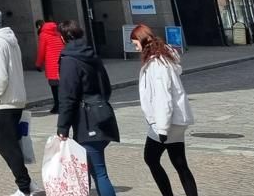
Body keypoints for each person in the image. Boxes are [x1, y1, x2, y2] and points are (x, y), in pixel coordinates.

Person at [132, 24, 198, 196]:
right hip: (175, 120)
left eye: (135, 43)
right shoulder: (163, 58)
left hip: (165, 122)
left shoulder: (157, 64)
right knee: (180, 164)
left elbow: (163, 97)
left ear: (142, 40)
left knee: (150, 158)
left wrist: (161, 128)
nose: (135, 48)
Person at [56, 21, 119, 196]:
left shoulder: (69, 60)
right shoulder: (92, 55)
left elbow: (67, 97)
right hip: (102, 115)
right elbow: (106, 86)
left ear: (63, 38)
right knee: (91, 170)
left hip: (87, 122)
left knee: (99, 172)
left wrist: (62, 127)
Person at [0, 7, 32, 196]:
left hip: (5, 100)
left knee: (5, 144)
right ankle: (27, 183)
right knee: (11, 143)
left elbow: (0, 77)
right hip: (16, 98)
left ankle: (24, 186)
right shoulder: (11, 41)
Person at [35, 16, 64, 115]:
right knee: (62, 86)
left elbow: (41, 51)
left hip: (52, 64)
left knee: (54, 87)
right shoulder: (58, 32)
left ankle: (57, 106)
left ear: (39, 26)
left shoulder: (43, 35)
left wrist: (38, 64)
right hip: (62, 62)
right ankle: (63, 105)